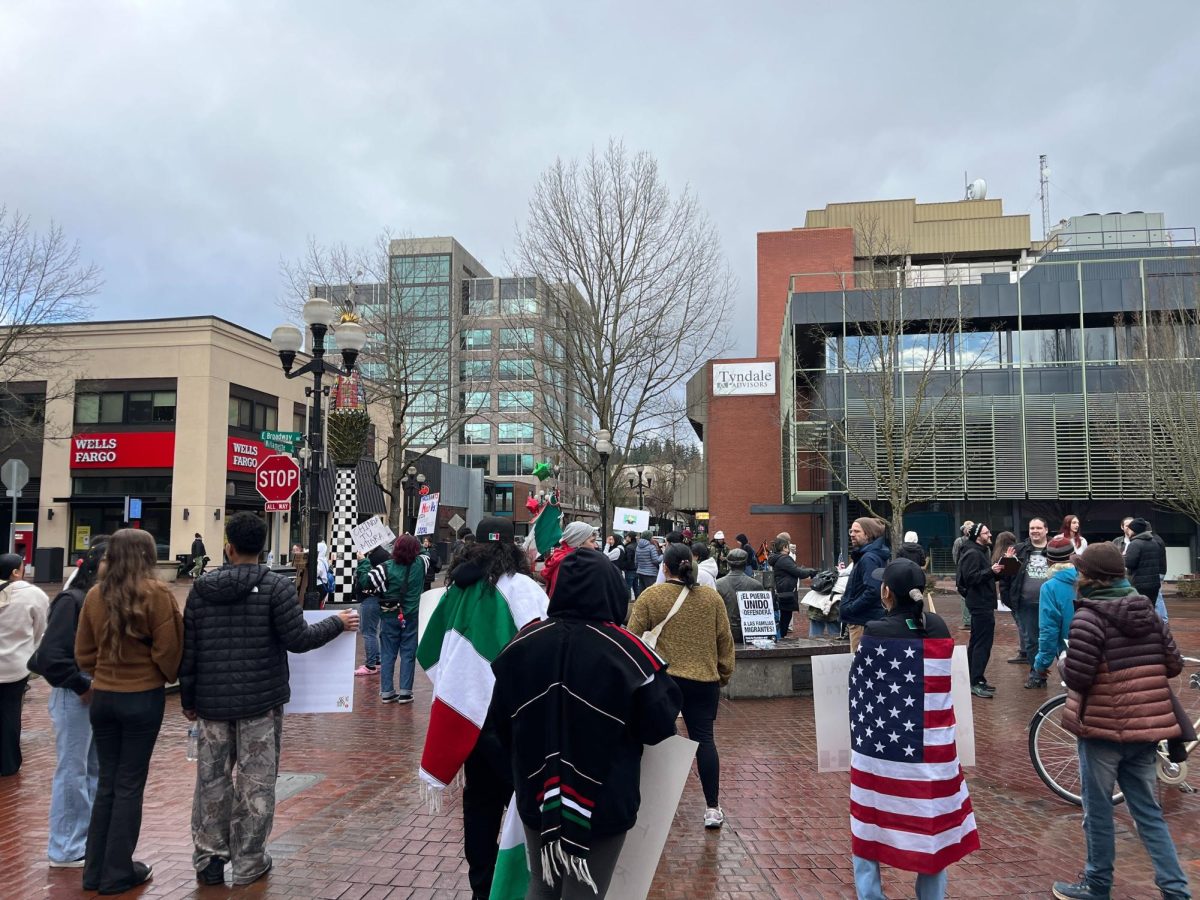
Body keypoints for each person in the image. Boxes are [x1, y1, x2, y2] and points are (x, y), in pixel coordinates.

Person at [489, 548, 681, 898]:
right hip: (604, 798)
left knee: (542, 886)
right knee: (586, 892)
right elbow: (658, 724)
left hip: (538, 790)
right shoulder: (630, 654)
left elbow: (499, 724)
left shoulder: (520, 646)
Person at [181, 512, 357, 887]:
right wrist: (338, 623)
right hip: (261, 704)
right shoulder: (276, 587)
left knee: (211, 781)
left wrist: (188, 699)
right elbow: (299, 639)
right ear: (261, 547)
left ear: (228, 546)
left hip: (211, 704)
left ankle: (209, 858)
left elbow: (189, 651)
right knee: (256, 782)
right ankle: (249, 860)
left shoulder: (201, 589)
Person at [416, 517, 549, 899]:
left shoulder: (457, 589)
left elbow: (434, 651)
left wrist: (460, 691)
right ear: (513, 547)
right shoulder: (524, 588)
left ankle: (481, 887)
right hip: (515, 720)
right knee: (525, 807)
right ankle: (521, 885)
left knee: (480, 806)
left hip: (471, 716)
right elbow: (543, 646)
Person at [1051, 543, 1191, 900]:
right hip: (1146, 730)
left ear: (1092, 577)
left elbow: (1079, 678)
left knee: (1097, 813)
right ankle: (1176, 890)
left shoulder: (1089, 616)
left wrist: (1063, 663)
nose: (1077, 575)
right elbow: (1173, 665)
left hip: (1102, 731)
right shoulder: (1146, 610)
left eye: (1081, 570)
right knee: (1148, 813)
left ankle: (1097, 885)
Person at [851, 558, 978, 900]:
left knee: (868, 823)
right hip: (934, 749)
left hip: (883, 752)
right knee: (931, 824)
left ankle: (871, 895)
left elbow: (859, 684)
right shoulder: (938, 627)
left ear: (886, 592)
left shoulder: (876, 632)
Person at [75, 528, 183, 895]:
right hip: (141, 697)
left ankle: (94, 871)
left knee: (106, 782)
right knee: (129, 784)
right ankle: (118, 869)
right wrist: (158, 671)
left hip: (103, 696)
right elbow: (169, 651)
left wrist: (103, 670)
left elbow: (83, 654)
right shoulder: (156, 594)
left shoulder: (94, 595)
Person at [628, 543, 734, 830]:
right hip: (704, 681)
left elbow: (632, 638)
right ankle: (712, 807)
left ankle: (656, 805)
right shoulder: (711, 599)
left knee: (659, 740)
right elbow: (725, 641)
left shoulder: (652, 596)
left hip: (665, 682)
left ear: (664, 567)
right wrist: (722, 673)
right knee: (704, 739)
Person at [32, 537, 108, 866]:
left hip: (88, 691)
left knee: (90, 770)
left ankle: (82, 839)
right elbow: (51, 655)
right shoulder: (72, 600)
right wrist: (79, 684)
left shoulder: (94, 599)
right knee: (73, 771)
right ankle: (65, 846)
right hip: (75, 693)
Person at [358, 535, 425, 704]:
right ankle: (405, 692)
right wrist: (414, 540)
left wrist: (363, 561)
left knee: (388, 653)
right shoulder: (421, 564)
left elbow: (366, 582)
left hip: (389, 614)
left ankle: (387, 691)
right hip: (411, 615)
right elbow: (426, 553)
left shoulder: (385, 568)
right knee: (408, 653)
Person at [0, 552, 49, 777]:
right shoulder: (33, 595)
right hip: (15, 664)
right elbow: (40, 628)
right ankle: (8, 762)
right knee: (10, 711)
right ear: (15, 572)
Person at [955, 523, 1005, 698]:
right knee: (982, 643)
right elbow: (971, 578)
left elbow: (982, 575)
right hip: (980, 603)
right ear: (978, 536)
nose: (990, 534)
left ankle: (975, 678)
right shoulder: (973, 553)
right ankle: (975, 681)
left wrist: (998, 570)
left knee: (978, 641)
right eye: (986, 532)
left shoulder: (977, 551)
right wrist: (991, 571)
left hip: (981, 602)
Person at [1030, 536, 1076, 684]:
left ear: (1049, 561)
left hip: (1070, 650)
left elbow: (1049, 629)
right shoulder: (1090, 579)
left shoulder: (1050, 587)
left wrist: (1041, 663)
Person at [839, 518, 890, 653]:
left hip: (862, 621)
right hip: (865, 619)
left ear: (868, 534)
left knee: (859, 663)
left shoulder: (869, 558)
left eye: (857, 531)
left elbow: (873, 590)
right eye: (851, 531)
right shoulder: (869, 556)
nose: (852, 534)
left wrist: (851, 608)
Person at [1005, 519, 1049, 672]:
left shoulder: (1056, 549)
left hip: (1050, 605)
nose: (1035, 531)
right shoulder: (1019, 550)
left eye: (1038, 527)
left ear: (1046, 530)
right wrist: (1010, 601)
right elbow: (1007, 578)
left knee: (1052, 639)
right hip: (1026, 604)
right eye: (1032, 528)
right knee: (1030, 641)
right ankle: (1037, 673)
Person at [766, 536, 817, 640]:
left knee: (784, 616)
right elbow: (797, 572)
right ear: (784, 547)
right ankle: (780, 638)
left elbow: (794, 570)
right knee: (785, 617)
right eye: (788, 546)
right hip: (787, 591)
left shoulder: (777, 558)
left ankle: (780, 637)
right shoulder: (784, 559)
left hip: (782, 590)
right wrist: (812, 572)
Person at [714, 548, 762, 643]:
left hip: (724, 632)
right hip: (750, 633)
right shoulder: (756, 585)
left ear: (728, 563)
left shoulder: (717, 584)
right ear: (745, 564)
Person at [354, 545, 386, 678]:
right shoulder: (381, 555)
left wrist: (362, 561)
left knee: (368, 632)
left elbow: (366, 580)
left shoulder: (376, 557)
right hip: (374, 598)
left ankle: (370, 665)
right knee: (372, 631)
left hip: (370, 598)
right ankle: (376, 661)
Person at [541, 521, 597, 597]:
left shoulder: (564, 559)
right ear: (578, 543)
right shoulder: (572, 563)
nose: (596, 546)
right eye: (592, 541)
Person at [1123, 518, 1166, 611]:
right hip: (1154, 583)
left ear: (1134, 530)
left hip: (1139, 584)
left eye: (1129, 529)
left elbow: (1130, 564)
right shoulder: (1154, 542)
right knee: (1150, 610)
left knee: (1138, 611)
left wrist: (1124, 558)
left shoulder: (1135, 544)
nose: (1128, 531)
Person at [952, 521, 975, 629]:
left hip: (963, 572)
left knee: (964, 597)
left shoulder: (959, 541)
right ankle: (971, 621)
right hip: (972, 572)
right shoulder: (977, 541)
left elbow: (955, 556)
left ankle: (967, 621)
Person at [634, 531, 662, 597]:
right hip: (651, 573)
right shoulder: (651, 547)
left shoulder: (638, 547)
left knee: (642, 592)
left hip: (640, 572)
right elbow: (656, 560)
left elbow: (636, 561)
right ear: (649, 537)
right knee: (652, 593)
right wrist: (663, 555)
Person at [619, 532, 639, 597]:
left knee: (628, 587)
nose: (626, 537)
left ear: (630, 537)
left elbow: (628, 560)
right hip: (637, 569)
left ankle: (628, 602)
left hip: (630, 569)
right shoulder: (637, 545)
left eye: (627, 536)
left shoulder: (629, 547)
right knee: (636, 587)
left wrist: (622, 566)